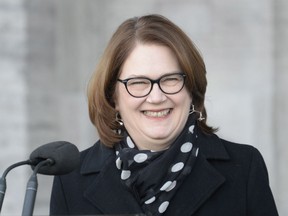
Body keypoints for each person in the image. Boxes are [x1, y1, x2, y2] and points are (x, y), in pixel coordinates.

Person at [50, 14, 278, 216]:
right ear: (113, 97)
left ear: (192, 90)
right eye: (138, 82)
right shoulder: (71, 180)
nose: (156, 97)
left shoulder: (244, 168)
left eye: (170, 80)